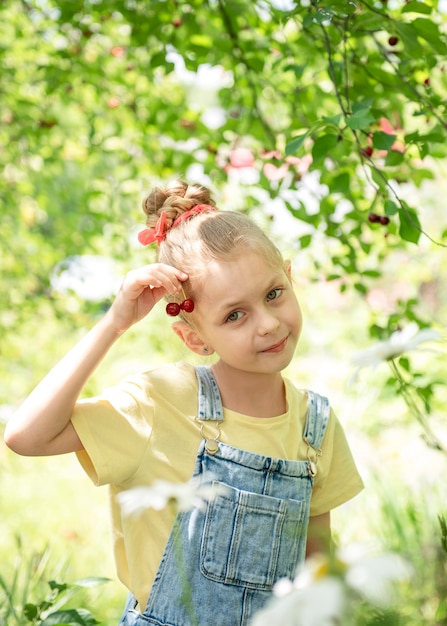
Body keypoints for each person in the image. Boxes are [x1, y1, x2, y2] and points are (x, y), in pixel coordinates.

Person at [5, 179, 364, 626]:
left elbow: (319, 571)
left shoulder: (315, 424)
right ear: (194, 337)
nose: (269, 324)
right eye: (235, 315)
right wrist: (115, 324)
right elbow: (25, 436)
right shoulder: (161, 402)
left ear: (290, 278)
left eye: (274, 294)